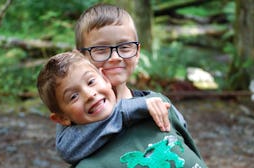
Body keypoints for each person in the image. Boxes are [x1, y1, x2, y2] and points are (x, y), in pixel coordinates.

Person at [57, 3, 207, 167]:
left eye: (125, 47)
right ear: (81, 57)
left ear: (137, 52)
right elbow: (67, 149)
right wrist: (130, 109)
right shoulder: (79, 122)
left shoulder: (159, 102)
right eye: (101, 49)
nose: (115, 57)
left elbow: (186, 141)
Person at [37, 51, 207, 168]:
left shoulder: (156, 104)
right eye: (73, 96)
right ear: (61, 119)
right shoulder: (86, 161)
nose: (89, 94)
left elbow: (188, 143)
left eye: (90, 82)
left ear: (104, 78)